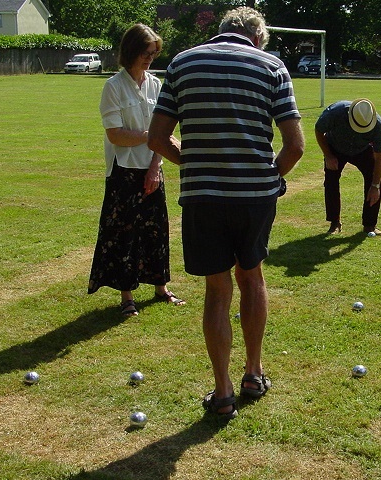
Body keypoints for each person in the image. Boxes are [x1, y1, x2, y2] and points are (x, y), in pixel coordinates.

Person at [148, 7, 304, 419]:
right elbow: (295, 146)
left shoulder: (182, 63)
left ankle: (222, 393)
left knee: (217, 291)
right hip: (254, 197)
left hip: (203, 197)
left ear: (220, 33)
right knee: (251, 279)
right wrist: (272, 177)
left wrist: (197, 162)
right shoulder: (272, 66)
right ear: (256, 38)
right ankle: (254, 372)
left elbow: (158, 138)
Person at [88, 24, 185, 317]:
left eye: (154, 53)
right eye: (146, 53)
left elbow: (166, 130)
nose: (150, 58)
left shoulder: (157, 85)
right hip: (124, 171)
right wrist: (152, 135)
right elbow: (116, 135)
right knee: (124, 234)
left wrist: (156, 165)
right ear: (131, 51)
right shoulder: (113, 87)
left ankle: (161, 287)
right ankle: (127, 295)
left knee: (157, 230)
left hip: (153, 166)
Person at [316, 98, 381, 236]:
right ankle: (334, 222)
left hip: (362, 150)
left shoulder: (377, 124)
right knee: (331, 181)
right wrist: (328, 156)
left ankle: (370, 225)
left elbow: (379, 157)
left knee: (375, 179)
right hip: (335, 148)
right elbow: (319, 131)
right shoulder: (335, 113)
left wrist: (375, 185)